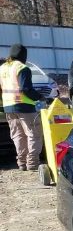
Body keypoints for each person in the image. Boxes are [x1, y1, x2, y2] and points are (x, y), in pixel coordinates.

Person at [0, 43, 43, 171]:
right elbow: (26, 89)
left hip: (8, 106)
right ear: (23, 55)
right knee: (33, 134)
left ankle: (22, 163)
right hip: (24, 106)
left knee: (18, 135)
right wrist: (40, 97)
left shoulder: (2, 68)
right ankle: (32, 163)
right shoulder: (22, 68)